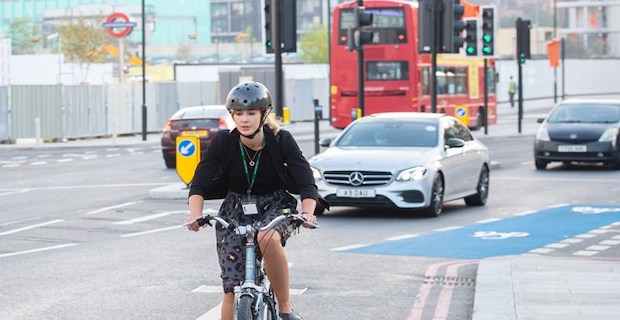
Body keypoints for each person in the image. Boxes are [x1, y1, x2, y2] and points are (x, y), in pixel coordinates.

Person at [185, 81, 325, 320]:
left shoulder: (281, 140)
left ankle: (285, 308)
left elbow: (305, 181)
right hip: (235, 207)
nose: (244, 119)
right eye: (238, 113)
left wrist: (307, 211)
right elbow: (199, 182)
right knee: (231, 288)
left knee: (266, 237)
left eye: (251, 113)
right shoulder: (224, 142)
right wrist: (195, 214)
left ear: (264, 114)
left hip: (275, 203)